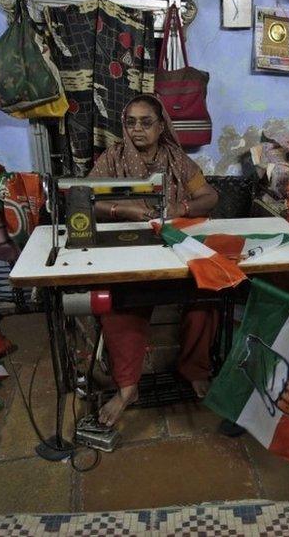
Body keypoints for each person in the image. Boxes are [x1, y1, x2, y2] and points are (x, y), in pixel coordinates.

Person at [90, 94, 219, 426]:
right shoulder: (112, 158)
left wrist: (181, 209)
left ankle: (194, 368)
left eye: (146, 122)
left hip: (172, 248)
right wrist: (122, 209)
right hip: (129, 248)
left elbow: (210, 196)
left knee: (206, 296)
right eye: (130, 122)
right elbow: (86, 198)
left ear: (162, 126)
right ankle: (128, 387)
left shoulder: (177, 160)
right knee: (120, 304)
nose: (137, 130)